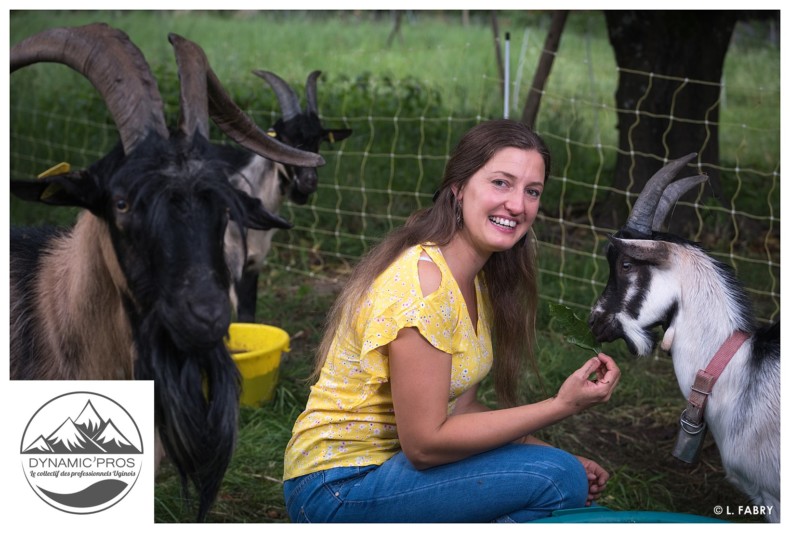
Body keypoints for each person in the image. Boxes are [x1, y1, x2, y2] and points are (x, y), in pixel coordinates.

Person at [282, 119, 620, 523]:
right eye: (501, 183)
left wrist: (544, 454)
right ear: (458, 189)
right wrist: (560, 406)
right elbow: (425, 445)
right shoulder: (424, 286)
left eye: (532, 191)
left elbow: (462, 408)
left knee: (560, 474)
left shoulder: (473, 280)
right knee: (558, 480)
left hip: (391, 475)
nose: (518, 204)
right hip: (338, 488)